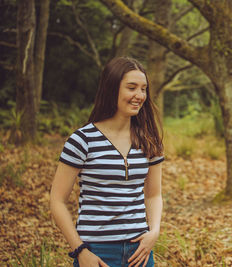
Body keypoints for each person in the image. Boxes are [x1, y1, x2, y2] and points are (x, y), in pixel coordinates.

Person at [50, 57, 164, 267]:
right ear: (112, 89)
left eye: (143, 89)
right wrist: (80, 251)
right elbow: (56, 200)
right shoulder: (82, 140)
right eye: (132, 88)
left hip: (140, 249)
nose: (139, 95)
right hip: (96, 251)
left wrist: (153, 232)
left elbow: (154, 194)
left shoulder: (149, 139)